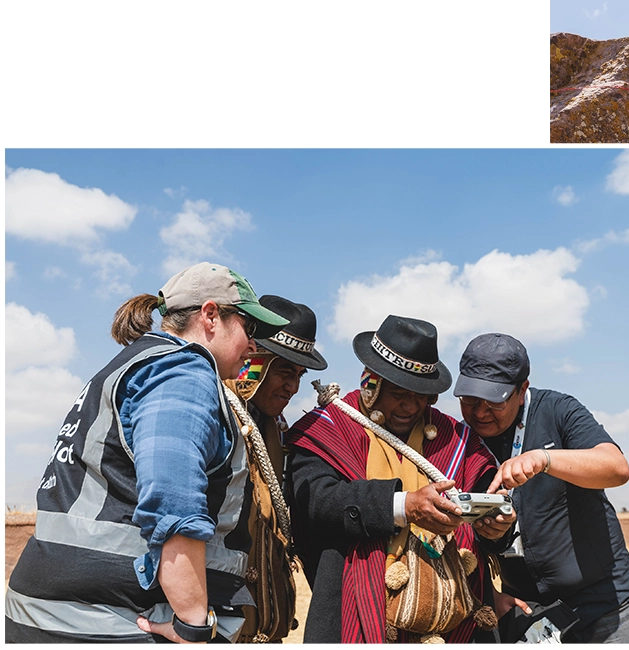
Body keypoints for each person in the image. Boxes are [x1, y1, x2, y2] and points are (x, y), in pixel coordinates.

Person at [5, 262, 289, 643]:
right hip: (112, 622)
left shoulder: (137, 363)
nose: (253, 345)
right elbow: (174, 502)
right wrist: (193, 624)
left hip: (61, 613)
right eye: (248, 328)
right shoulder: (182, 372)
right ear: (210, 315)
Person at [285, 315, 512, 643]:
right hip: (355, 617)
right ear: (370, 383)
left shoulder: (455, 438)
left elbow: (485, 495)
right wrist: (404, 505)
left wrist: (497, 523)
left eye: (421, 395)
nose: (410, 405)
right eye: (397, 393)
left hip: (453, 624)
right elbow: (318, 501)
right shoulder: (327, 428)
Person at [455, 333, 629, 644]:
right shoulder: (460, 443)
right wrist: (489, 590)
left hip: (606, 606)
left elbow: (616, 468)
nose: (479, 412)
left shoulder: (558, 410)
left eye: (493, 400)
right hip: (530, 614)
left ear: (522, 390)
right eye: (469, 400)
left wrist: (545, 459)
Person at [227, 295, 328, 484]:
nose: (294, 388)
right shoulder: (216, 413)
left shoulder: (277, 428)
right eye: (285, 372)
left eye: (299, 375)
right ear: (252, 362)